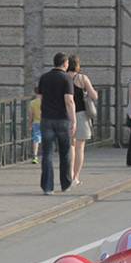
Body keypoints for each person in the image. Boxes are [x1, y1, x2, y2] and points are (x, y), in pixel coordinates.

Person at [36, 52, 76, 194]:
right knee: (65, 153)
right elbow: (69, 101)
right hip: (62, 120)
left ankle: (47, 187)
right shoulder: (67, 79)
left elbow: (39, 98)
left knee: (47, 154)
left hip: (46, 119)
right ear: (65, 63)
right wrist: (73, 120)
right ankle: (65, 184)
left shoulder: (44, 78)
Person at [67, 55, 98, 186]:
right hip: (80, 115)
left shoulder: (63, 77)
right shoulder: (82, 78)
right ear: (78, 65)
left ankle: (68, 176)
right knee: (80, 147)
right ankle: (75, 177)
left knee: (70, 147)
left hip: (66, 114)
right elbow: (94, 96)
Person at [28, 93, 42, 164]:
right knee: (47, 138)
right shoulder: (45, 101)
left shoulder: (32, 103)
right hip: (45, 122)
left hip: (36, 122)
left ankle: (35, 156)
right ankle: (46, 155)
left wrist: (30, 124)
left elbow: (31, 115)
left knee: (36, 139)